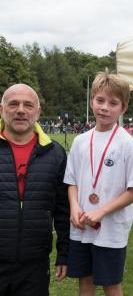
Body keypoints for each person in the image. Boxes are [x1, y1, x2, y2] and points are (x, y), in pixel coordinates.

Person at [64, 71, 133, 296]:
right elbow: (71, 181)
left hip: (111, 228)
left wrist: (101, 212)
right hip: (80, 224)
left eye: (113, 103)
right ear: (92, 102)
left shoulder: (127, 144)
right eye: (100, 100)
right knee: (85, 281)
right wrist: (74, 206)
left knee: (111, 284)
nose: (105, 107)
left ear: (123, 107)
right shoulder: (81, 141)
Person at [0, 83, 69, 296]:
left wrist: (64, 254)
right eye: (13, 104)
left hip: (35, 264)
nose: (21, 109)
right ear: (2, 109)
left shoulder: (55, 154)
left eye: (28, 105)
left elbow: (63, 209)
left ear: (37, 112)